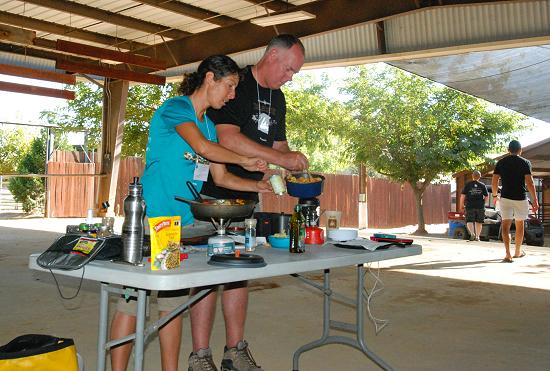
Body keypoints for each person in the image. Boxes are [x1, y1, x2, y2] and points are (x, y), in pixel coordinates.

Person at [110, 55, 271, 371]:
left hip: (179, 224)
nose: (232, 95)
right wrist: (245, 158)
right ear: (209, 78)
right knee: (131, 300)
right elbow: (204, 150)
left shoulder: (210, 126)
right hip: (150, 218)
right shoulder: (176, 109)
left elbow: (221, 177)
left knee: (171, 303)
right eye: (230, 86)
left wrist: (257, 187)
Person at [186, 34, 309, 371]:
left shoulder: (278, 98)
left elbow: (279, 147)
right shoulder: (235, 85)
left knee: (240, 272)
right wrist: (278, 159)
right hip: (212, 193)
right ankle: (200, 355)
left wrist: (294, 164)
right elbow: (228, 138)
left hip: (247, 197)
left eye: (294, 72)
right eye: (288, 69)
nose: (289, 77)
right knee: (204, 274)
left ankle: (234, 351)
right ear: (271, 55)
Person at [491, 140, 539, 263]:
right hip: (520, 198)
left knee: (505, 226)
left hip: (505, 197)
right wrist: (535, 200)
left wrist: (495, 195)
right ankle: (517, 251)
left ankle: (508, 254)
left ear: (508, 150)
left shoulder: (501, 162)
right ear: (520, 150)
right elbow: (530, 182)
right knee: (520, 225)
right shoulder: (525, 162)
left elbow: (495, 180)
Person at [460, 170, 488, 241]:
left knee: (469, 220)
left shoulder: (468, 184)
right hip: (480, 206)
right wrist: (483, 203)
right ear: (480, 177)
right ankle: (477, 236)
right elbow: (486, 196)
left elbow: (462, 196)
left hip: (469, 205)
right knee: (479, 221)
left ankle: (472, 233)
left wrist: (462, 205)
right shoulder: (482, 185)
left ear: (472, 176)